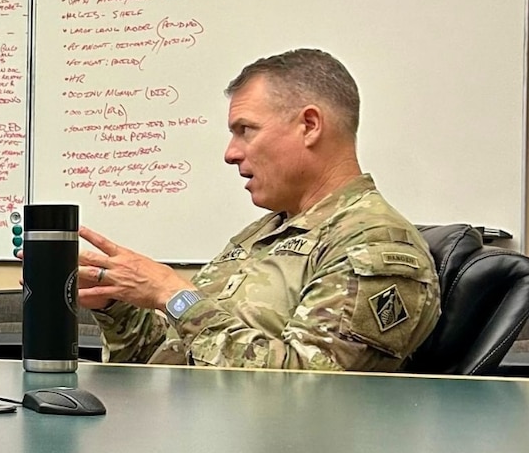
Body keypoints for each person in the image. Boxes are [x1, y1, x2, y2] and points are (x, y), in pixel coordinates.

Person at [77, 49, 440, 371]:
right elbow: (174, 359)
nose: (230, 153)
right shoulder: (261, 234)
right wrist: (115, 303)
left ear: (310, 126)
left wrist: (174, 295)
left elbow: (313, 385)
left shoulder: (374, 246)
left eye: (245, 130)